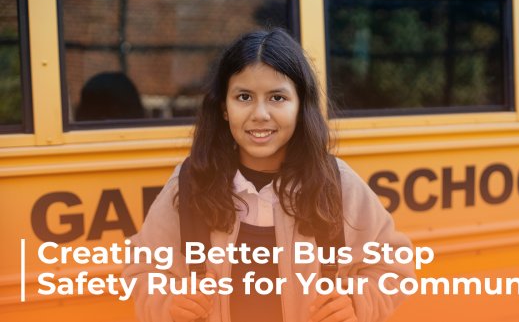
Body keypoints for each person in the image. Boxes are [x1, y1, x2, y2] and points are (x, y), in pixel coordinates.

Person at [123, 29, 415, 322]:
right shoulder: (190, 183)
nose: (260, 113)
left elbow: (395, 265)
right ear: (224, 108)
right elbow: (142, 268)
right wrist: (169, 304)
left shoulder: (337, 184)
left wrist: (356, 301)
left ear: (301, 106)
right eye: (244, 96)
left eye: (277, 97)